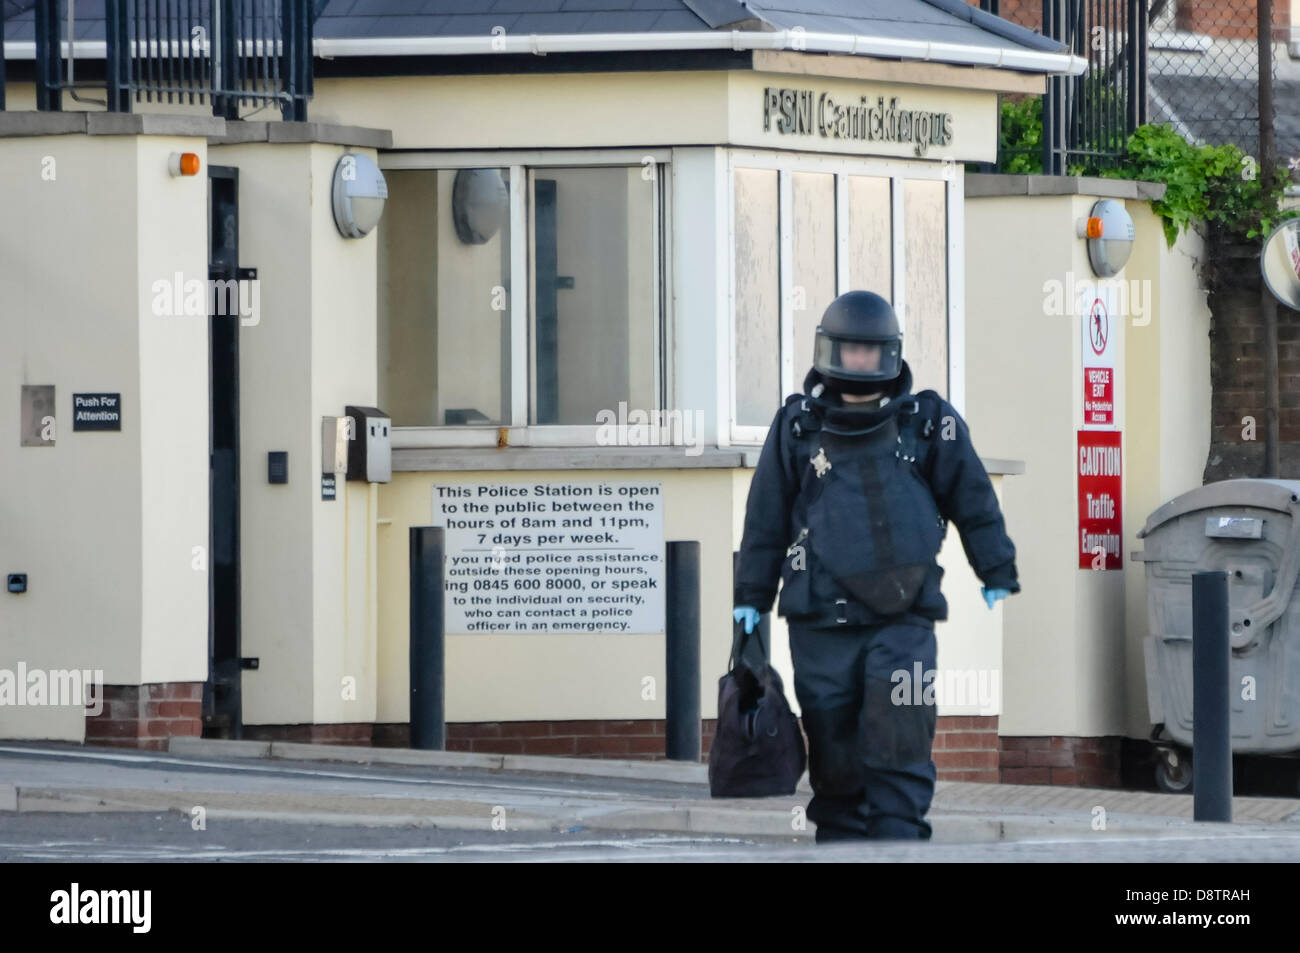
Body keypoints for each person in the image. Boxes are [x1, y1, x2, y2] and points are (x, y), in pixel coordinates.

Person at [732, 290, 1020, 842]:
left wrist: (996, 570)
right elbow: (764, 520)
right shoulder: (797, 428)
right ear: (828, 351)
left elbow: (974, 499)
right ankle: (840, 839)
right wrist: (750, 598)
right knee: (832, 738)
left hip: (903, 616)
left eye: (869, 351)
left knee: (901, 725)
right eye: (850, 350)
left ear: (888, 354)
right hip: (820, 620)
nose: (859, 361)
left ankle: (898, 837)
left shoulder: (928, 423)